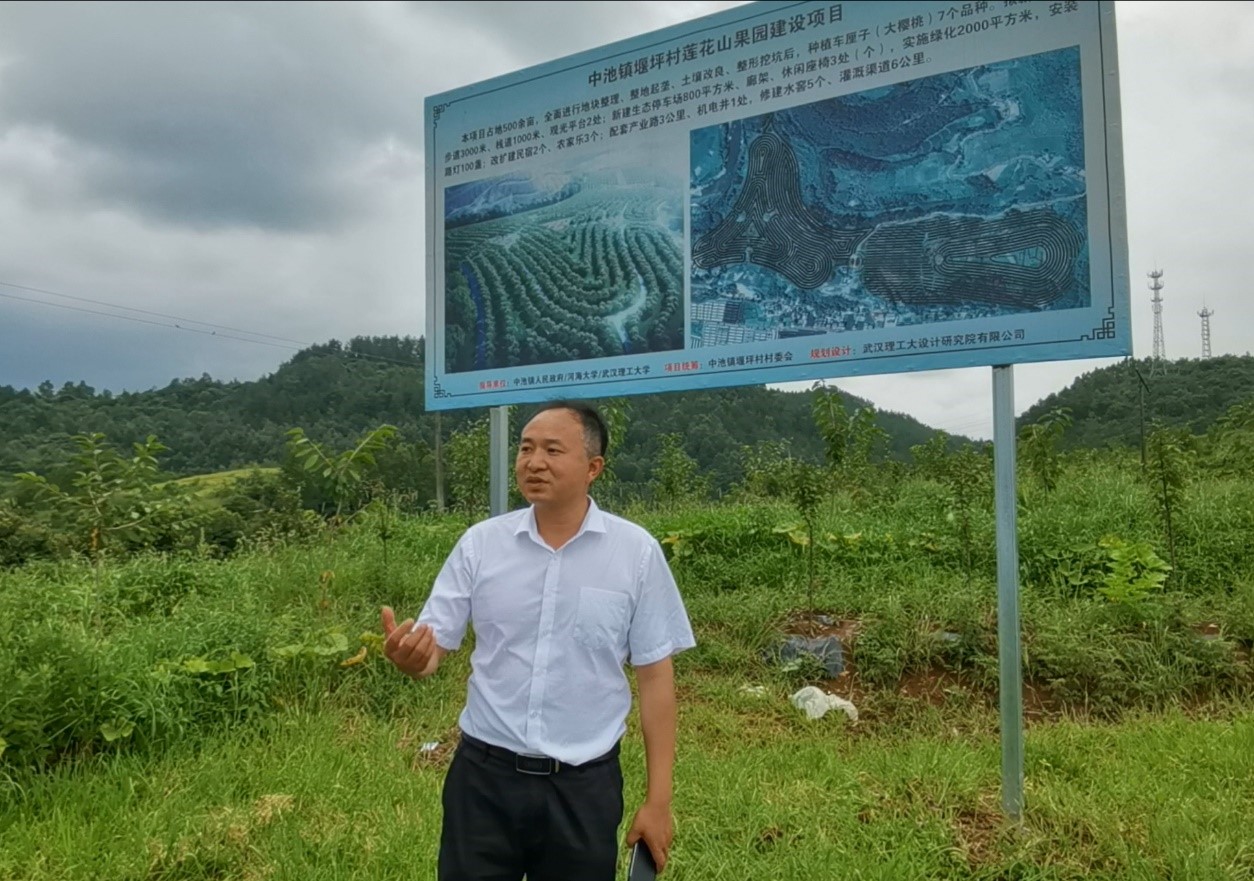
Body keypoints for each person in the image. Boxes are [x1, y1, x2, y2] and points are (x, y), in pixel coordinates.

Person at [381, 400, 696, 880]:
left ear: (593, 468)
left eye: (552, 449)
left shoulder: (634, 553)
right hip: (482, 782)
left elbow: (655, 680)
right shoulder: (481, 544)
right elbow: (431, 650)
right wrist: (411, 659)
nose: (534, 462)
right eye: (526, 448)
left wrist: (659, 802)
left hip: (583, 788)